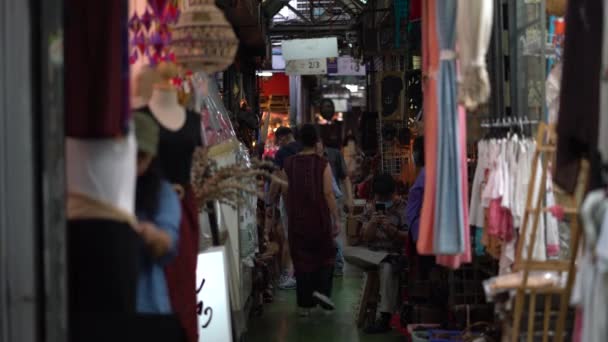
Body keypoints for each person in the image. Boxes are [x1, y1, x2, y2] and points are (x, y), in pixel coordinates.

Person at [284, 124, 341, 317]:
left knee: (301, 261)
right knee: (325, 257)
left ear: (299, 140)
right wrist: (336, 218)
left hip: (297, 222)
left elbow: (283, 189)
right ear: (316, 141)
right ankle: (322, 293)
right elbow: (328, 193)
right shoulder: (322, 164)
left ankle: (305, 305)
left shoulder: (289, 163)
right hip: (319, 221)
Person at [133, 113, 181, 315]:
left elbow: (167, 242)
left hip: (146, 301)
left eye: (141, 156)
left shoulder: (161, 193)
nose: (133, 163)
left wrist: (145, 232)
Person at [358, 174, 408, 334]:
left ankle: (385, 318)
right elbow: (364, 238)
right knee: (348, 253)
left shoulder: (402, 207)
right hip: (371, 252)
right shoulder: (370, 207)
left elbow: (408, 238)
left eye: (385, 197)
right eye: (379, 196)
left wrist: (391, 229)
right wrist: (372, 224)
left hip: (391, 253)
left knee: (387, 268)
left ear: (393, 193)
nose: (382, 200)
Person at [269, 126, 301, 289]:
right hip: (307, 199)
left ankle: (289, 275)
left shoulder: (282, 154)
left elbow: (277, 179)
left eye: (279, 139)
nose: (279, 143)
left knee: (289, 237)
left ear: (285, 137)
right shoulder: (304, 148)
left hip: (289, 199)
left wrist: (270, 200)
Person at [317, 140, 353, 277]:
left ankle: (337, 264)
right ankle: (327, 263)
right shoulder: (311, 157)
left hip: (333, 198)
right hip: (318, 201)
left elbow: (345, 178)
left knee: (335, 233)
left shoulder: (334, 154)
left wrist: (349, 198)